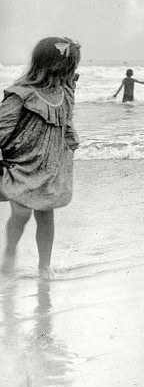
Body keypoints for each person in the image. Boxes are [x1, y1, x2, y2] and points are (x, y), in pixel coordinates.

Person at [1, 37, 81, 279]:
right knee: (22, 213)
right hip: (22, 164)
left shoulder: (63, 94)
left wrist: (70, 140)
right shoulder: (21, 94)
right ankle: (10, 253)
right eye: (69, 68)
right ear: (54, 67)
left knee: (46, 215)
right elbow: (2, 128)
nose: (72, 73)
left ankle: (44, 265)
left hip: (50, 165)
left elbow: (66, 121)